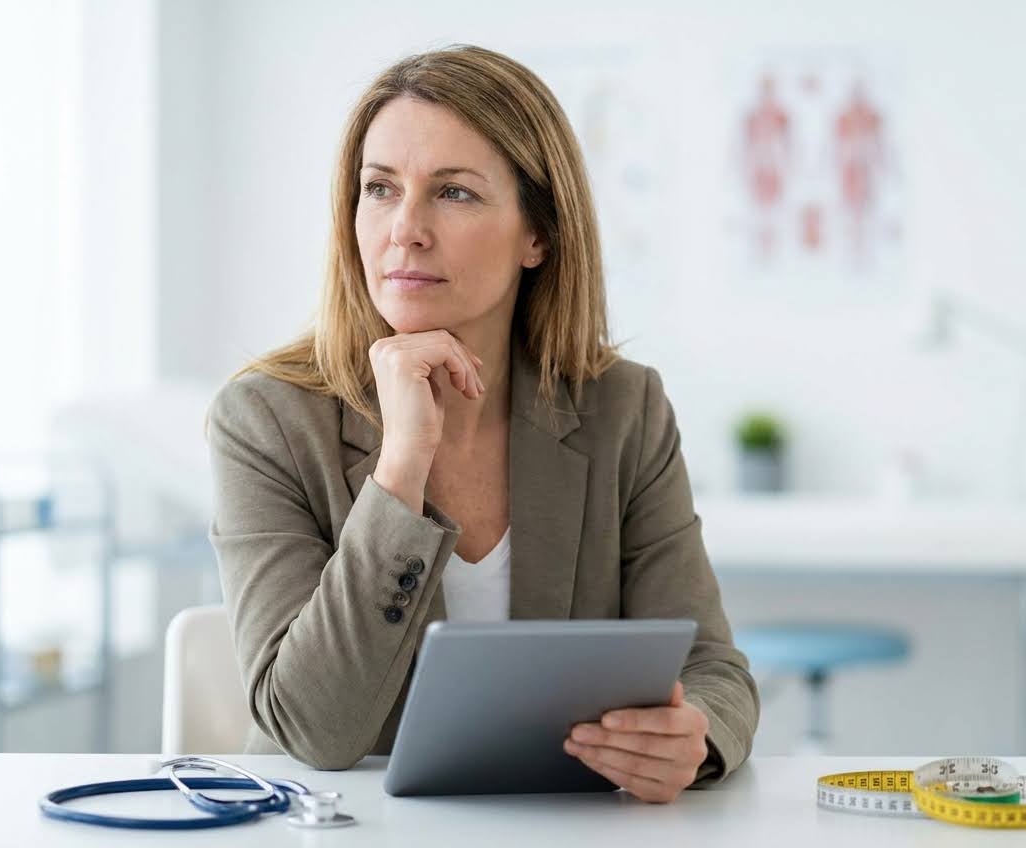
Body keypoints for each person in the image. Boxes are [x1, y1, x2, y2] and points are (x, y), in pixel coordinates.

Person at [206, 44, 759, 804]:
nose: (405, 230)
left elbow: (714, 671)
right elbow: (314, 730)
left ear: (539, 235)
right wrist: (401, 465)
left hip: (552, 824)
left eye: (454, 194)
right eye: (379, 189)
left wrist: (688, 736)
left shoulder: (622, 410)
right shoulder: (266, 418)